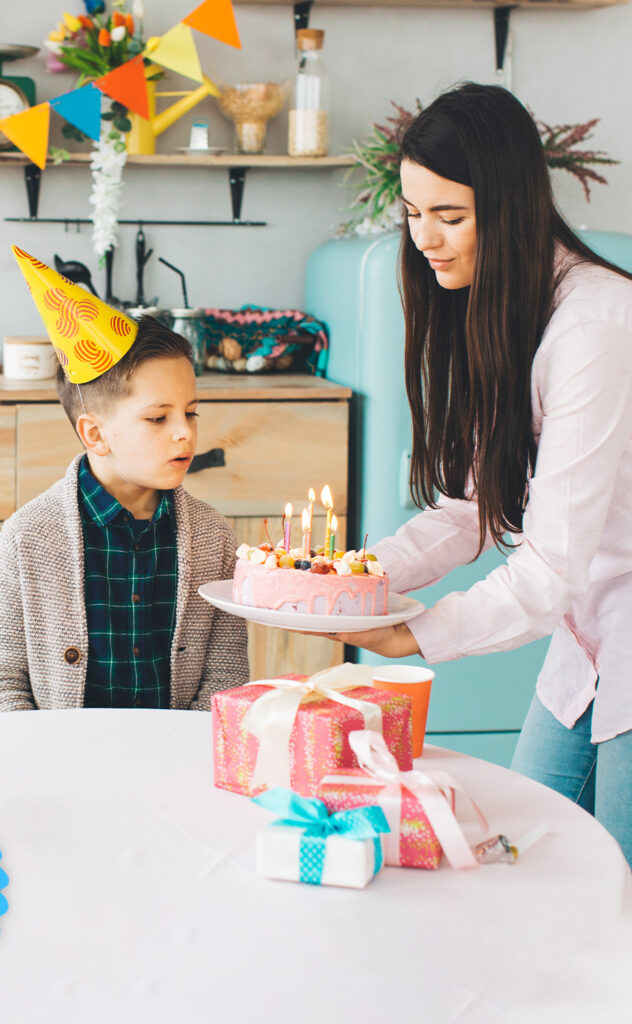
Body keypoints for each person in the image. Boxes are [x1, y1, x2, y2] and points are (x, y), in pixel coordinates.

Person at [330, 83, 632, 861]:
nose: (425, 238)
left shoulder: (595, 325)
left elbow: (550, 566)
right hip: (590, 641)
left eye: (450, 217)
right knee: (527, 862)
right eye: (412, 213)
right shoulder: (500, 306)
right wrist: (347, 580)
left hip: (613, 624)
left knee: (607, 896)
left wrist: (423, 634)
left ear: (510, 207)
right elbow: (470, 510)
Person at [0, 247, 248, 712]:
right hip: (62, 763)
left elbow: (225, 674)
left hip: (176, 763)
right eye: (158, 418)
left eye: (191, 412)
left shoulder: (213, 537)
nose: (185, 432)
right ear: (95, 434)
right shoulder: (28, 536)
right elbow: (0, 680)